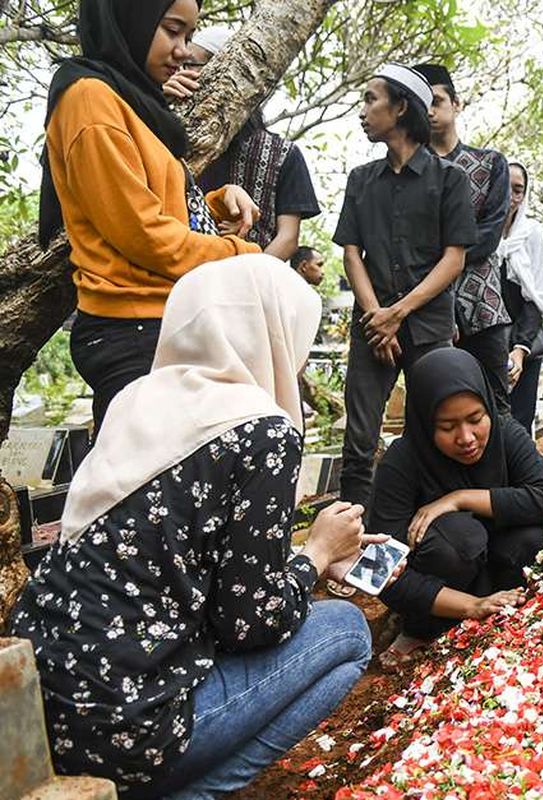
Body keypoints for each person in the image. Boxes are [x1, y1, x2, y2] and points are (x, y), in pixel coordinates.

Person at [9, 255, 377, 798]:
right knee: (347, 631)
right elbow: (249, 624)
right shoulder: (261, 429)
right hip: (129, 725)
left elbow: (170, 553)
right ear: (275, 330)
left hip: (40, 705)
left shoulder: (136, 402)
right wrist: (317, 556)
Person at [38, 0, 261, 433]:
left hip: (161, 322)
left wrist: (214, 204)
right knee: (150, 490)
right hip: (134, 329)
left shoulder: (131, 100)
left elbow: (156, 208)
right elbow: (143, 234)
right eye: (171, 30)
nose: (181, 50)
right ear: (131, 19)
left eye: (189, 36)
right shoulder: (90, 100)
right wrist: (244, 256)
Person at [334, 64, 478, 507]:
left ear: (399, 108)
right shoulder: (361, 180)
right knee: (359, 441)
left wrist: (396, 314)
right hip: (372, 326)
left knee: (433, 430)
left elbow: (454, 259)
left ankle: (431, 526)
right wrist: (376, 315)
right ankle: (352, 536)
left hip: (428, 328)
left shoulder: (449, 179)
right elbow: (352, 253)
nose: (362, 111)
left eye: (370, 99)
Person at [369, 348, 543, 641]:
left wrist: (459, 498)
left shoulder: (506, 434)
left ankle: (511, 616)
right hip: (442, 596)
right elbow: (378, 568)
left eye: (475, 418)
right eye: (447, 427)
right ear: (424, 423)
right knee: (460, 540)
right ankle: (421, 630)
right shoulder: (401, 461)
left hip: (503, 582)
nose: (466, 438)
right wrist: (472, 606)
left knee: (533, 538)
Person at [163, 24, 321, 260]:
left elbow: (287, 239)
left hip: (252, 284)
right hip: (177, 280)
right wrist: (157, 105)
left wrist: (249, 281)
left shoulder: (284, 154)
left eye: (191, 65)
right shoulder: (170, 135)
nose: (182, 72)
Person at [414, 64, 514, 413]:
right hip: (425, 312)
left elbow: (489, 235)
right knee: (432, 411)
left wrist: (442, 257)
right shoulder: (407, 171)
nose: (429, 111)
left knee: (496, 410)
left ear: (456, 104)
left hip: (482, 306)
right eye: (421, 102)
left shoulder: (490, 164)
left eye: (437, 101)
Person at [498, 161, 543, 433]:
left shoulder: (532, 234)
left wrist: (519, 351)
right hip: (485, 342)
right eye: (505, 187)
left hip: (525, 343)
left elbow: (538, 297)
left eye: (518, 190)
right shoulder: (480, 233)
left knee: (519, 423)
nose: (511, 196)